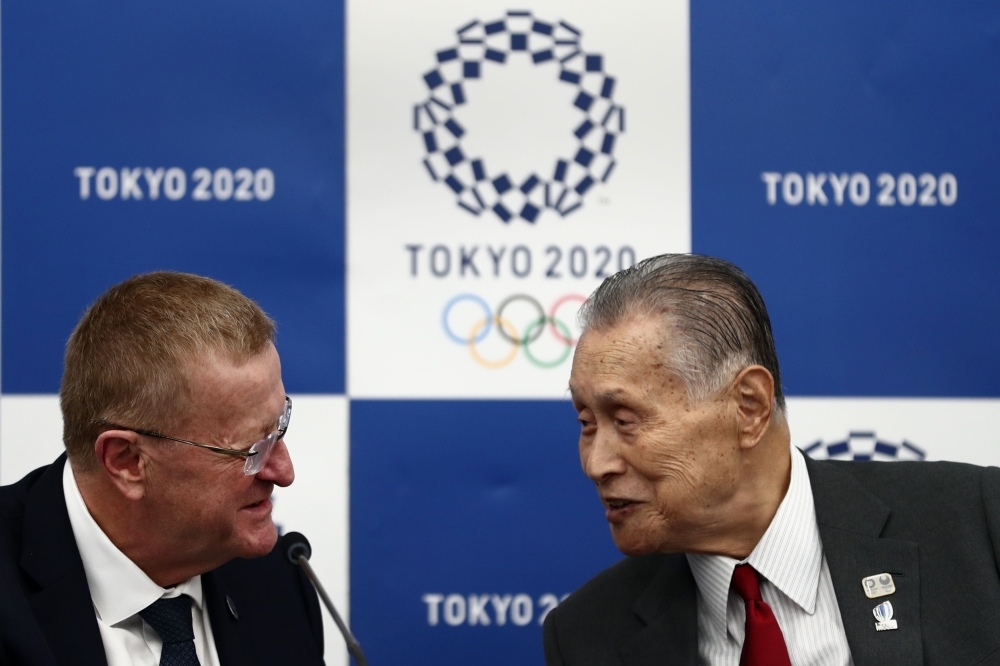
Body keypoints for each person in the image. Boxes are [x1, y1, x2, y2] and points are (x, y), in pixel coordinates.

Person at [544, 254, 1000, 666]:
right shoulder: (584, 636)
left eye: (625, 420)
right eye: (586, 423)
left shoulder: (977, 524)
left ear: (748, 406)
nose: (596, 463)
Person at [0, 272, 325, 666]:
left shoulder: (279, 585)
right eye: (251, 449)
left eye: (279, 429)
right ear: (127, 461)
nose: (284, 472)